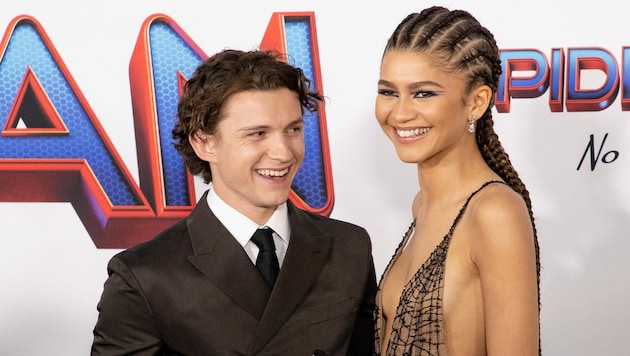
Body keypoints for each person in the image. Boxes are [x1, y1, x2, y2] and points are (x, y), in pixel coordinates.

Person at [91, 49, 377, 355]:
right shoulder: (145, 276)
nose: (283, 152)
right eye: (257, 134)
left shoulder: (349, 247)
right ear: (204, 143)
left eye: (293, 129)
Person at [373, 6, 540, 355]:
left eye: (423, 93)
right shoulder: (422, 205)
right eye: (389, 92)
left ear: (476, 102)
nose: (400, 112)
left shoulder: (495, 213)